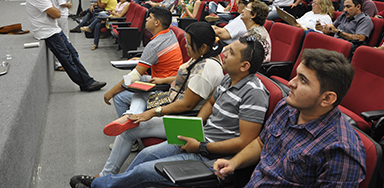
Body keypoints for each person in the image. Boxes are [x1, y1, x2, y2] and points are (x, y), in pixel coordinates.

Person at [70, 36, 270, 188]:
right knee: (145, 155)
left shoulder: (254, 94)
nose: (224, 52)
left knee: (143, 170)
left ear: (245, 66)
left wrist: (201, 146)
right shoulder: (230, 78)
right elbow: (211, 101)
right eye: (228, 48)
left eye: (231, 52)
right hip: (200, 138)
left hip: (211, 155)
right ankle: (114, 182)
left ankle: (102, 185)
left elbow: (245, 142)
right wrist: (196, 126)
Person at [213, 48, 367, 187]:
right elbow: (261, 143)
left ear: (327, 98)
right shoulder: (287, 107)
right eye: (296, 75)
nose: (291, 83)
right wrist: (234, 162)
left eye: (303, 80)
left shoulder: (341, 150)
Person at [89, 22, 225, 179]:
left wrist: (152, 113)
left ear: (202, 47)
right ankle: (130, 116)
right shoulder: (201, 58)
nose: (186, 46)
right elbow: (188, 76)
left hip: (185, 119)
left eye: (189, 43)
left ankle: (106, 177)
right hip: (172, 99)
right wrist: (165, 80)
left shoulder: (206, 69)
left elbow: (186, 104)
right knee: (139, 92)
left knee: (128, 129)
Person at [26, 0, 106, 92]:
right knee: (67, 59)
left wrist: (52, 11)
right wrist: (53, 11)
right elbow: (57, 13)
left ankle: (88, 80)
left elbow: (53, 11)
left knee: (73, 54)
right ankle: (84, 84)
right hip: (48, 32)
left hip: (53, 30)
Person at [103, 7, 183, 118]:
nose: (146, 19)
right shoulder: (170, 33)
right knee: (137, 87)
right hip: (170, 82)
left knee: (119, 96)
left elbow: (135, 75)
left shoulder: (154, 45)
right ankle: (131, 115)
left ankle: (129, 127)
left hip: (162, 88)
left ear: (157, 23)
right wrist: (143, 59)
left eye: (149, 17)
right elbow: (159, 55)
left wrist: (110, 92)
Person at [49, 0, 72, 71]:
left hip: (58, 15)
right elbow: (62, 3)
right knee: (64, 39)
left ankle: (61, 62)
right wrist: (69, 4)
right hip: (61, 15)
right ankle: (61, 63)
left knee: (61, 39)